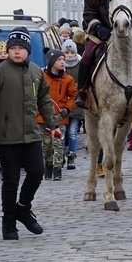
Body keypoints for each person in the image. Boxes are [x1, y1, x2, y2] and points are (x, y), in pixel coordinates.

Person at [0, 27, 60, 241]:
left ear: (28, 51)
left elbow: (44, 100)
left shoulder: (35, 71)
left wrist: (53, 124)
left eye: (20, 48)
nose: (16, 52)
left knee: (37, 172)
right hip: (7, 134)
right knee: (10, 179)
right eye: (12, 48)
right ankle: (9, 222)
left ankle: (23, 208)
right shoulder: (0, 71)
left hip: (31, 133)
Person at [38, 48, 77, 181]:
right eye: (59, 60)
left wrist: (67, 109)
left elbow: (73, 96)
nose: (62, 62)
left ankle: (57, 168)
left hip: (60, 117)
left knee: (58, 144)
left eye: (63, 60)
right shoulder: (41, 77)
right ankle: (48, 166)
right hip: (42, 117)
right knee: (46, 144)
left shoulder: (68, 79)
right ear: (51, 61)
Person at [62, 38, 83, 170]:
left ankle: (71, 155)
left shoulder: (80, 65)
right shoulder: (59, 64)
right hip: (62, 105)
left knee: (72, 131)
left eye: (71, 53)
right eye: (67, 53)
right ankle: (62, 153)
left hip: (76, 105)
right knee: (63, 132)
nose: (69, 55)